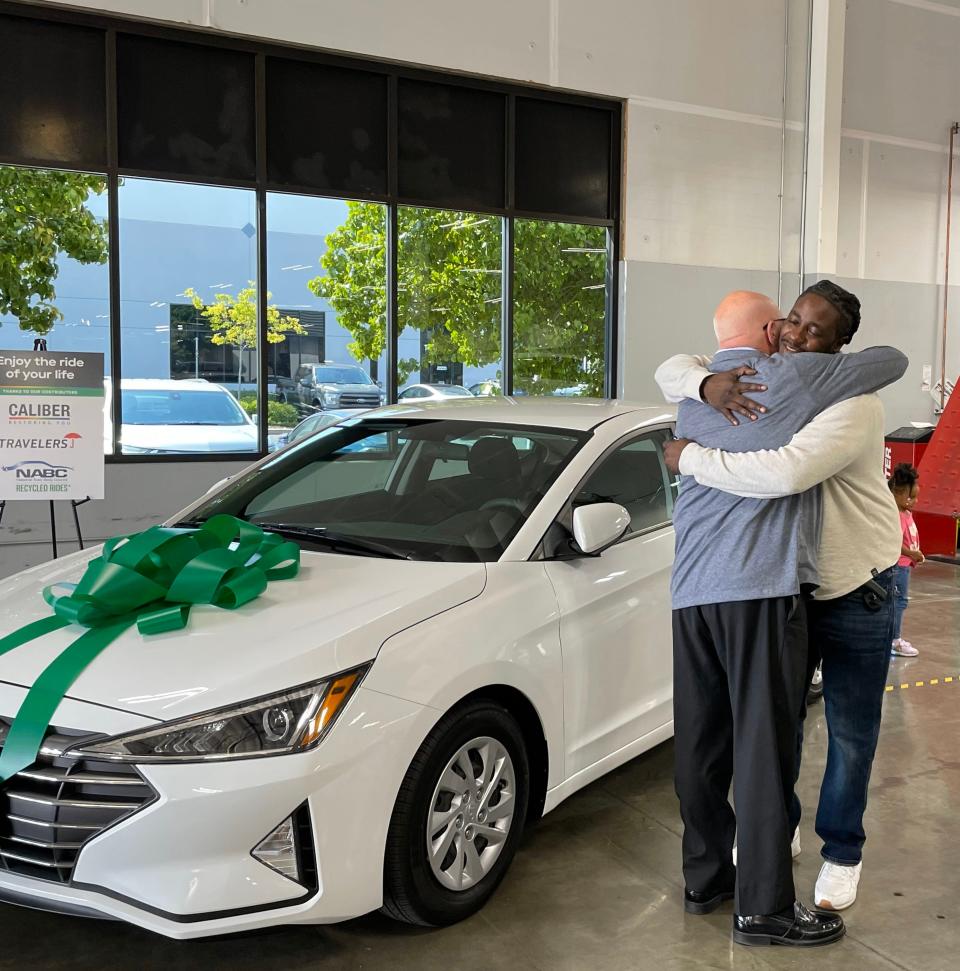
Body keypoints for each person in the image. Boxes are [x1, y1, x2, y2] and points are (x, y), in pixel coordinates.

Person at [661, 287, 906, 948]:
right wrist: (702, 377)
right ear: (773, 328)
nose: (799, 334)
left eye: (815, 329)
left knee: (705, 742)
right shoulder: (790, 383)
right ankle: (762, 907)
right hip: (763, 588)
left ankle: (707, 875)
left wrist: (689, 451)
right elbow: (894, 357)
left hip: (737, 589)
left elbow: (787, 470)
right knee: (767, 749)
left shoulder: (693, 396)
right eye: (794, 320)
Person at [889, 463, 923, 657]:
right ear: (897, 493)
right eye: (911, 497)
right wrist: (911, 554)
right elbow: (894, 541)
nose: (914, 501)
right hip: (899, 565)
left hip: (906, 565)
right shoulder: (897, 515)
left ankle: (895, 637)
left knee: (900, 601)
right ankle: (895, 639)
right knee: (898, 602)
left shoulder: (906, 513)